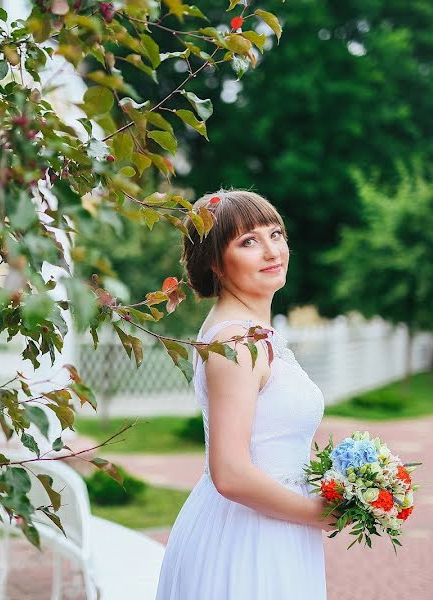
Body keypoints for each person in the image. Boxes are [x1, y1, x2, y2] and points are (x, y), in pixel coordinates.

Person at [155, 190, 330, 599]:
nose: (272, 250)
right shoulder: (236, 343)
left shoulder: (253, 333)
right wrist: (320, 513)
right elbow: (230, 473)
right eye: (248, 241)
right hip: (246, 537)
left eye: (276, 234)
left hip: (274, 526)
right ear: (216, 261)